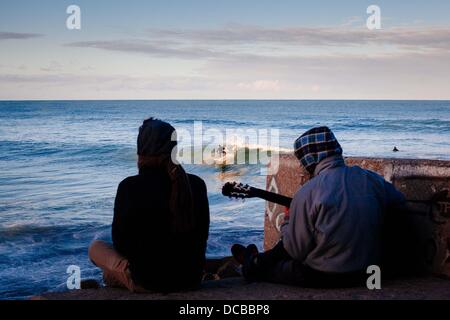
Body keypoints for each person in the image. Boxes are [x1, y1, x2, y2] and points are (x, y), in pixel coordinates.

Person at [232, 126, 405, 288]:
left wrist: (288, 221)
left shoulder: (308, 192)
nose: (301, 166)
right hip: (371, 274)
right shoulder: (371, 178)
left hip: (325, 276)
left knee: (276, 267)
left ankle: (250, 264)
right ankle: (252, 259)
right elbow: (399, 203)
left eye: (302, 160)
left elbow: (295, 250)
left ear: (310, 159)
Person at [89, 118, 210, 293]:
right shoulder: (196, 184)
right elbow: (202, 236)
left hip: (149, 282)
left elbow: (120, 243)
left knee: (96, 247)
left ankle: (118, 278)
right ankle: (116, 277)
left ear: (141, 149)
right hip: (191, 279)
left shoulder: (129, 187)